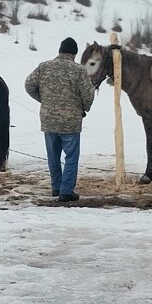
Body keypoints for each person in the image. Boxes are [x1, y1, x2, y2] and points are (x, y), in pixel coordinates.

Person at [24, 37, 95, 202]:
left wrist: (45, 100)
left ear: (60, 50)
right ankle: (66, 191)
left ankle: (56, 187)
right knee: (71, 157)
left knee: (53, 156)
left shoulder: (44, 67)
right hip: (71, 121)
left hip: (48, 120)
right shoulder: (78, 70)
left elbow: (28, 85)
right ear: (74, 54)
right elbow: (88, 94)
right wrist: (83, 108)